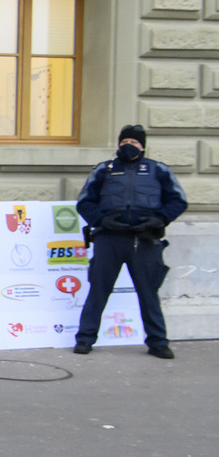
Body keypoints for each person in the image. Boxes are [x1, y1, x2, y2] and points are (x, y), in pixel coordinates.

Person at [73, 124, 188, 358]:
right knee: (98, 292)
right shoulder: (104, 170)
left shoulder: (158, 170)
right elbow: (85, 202)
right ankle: (85, 339)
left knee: (149, 294)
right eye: (124, 142)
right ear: (118, 144)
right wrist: (102, 221)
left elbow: (178, 201)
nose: (128, 146)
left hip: (144, 242)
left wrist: (159, 220)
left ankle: (158, 343)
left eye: (134, 142)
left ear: (142, 146)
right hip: (109, 240)